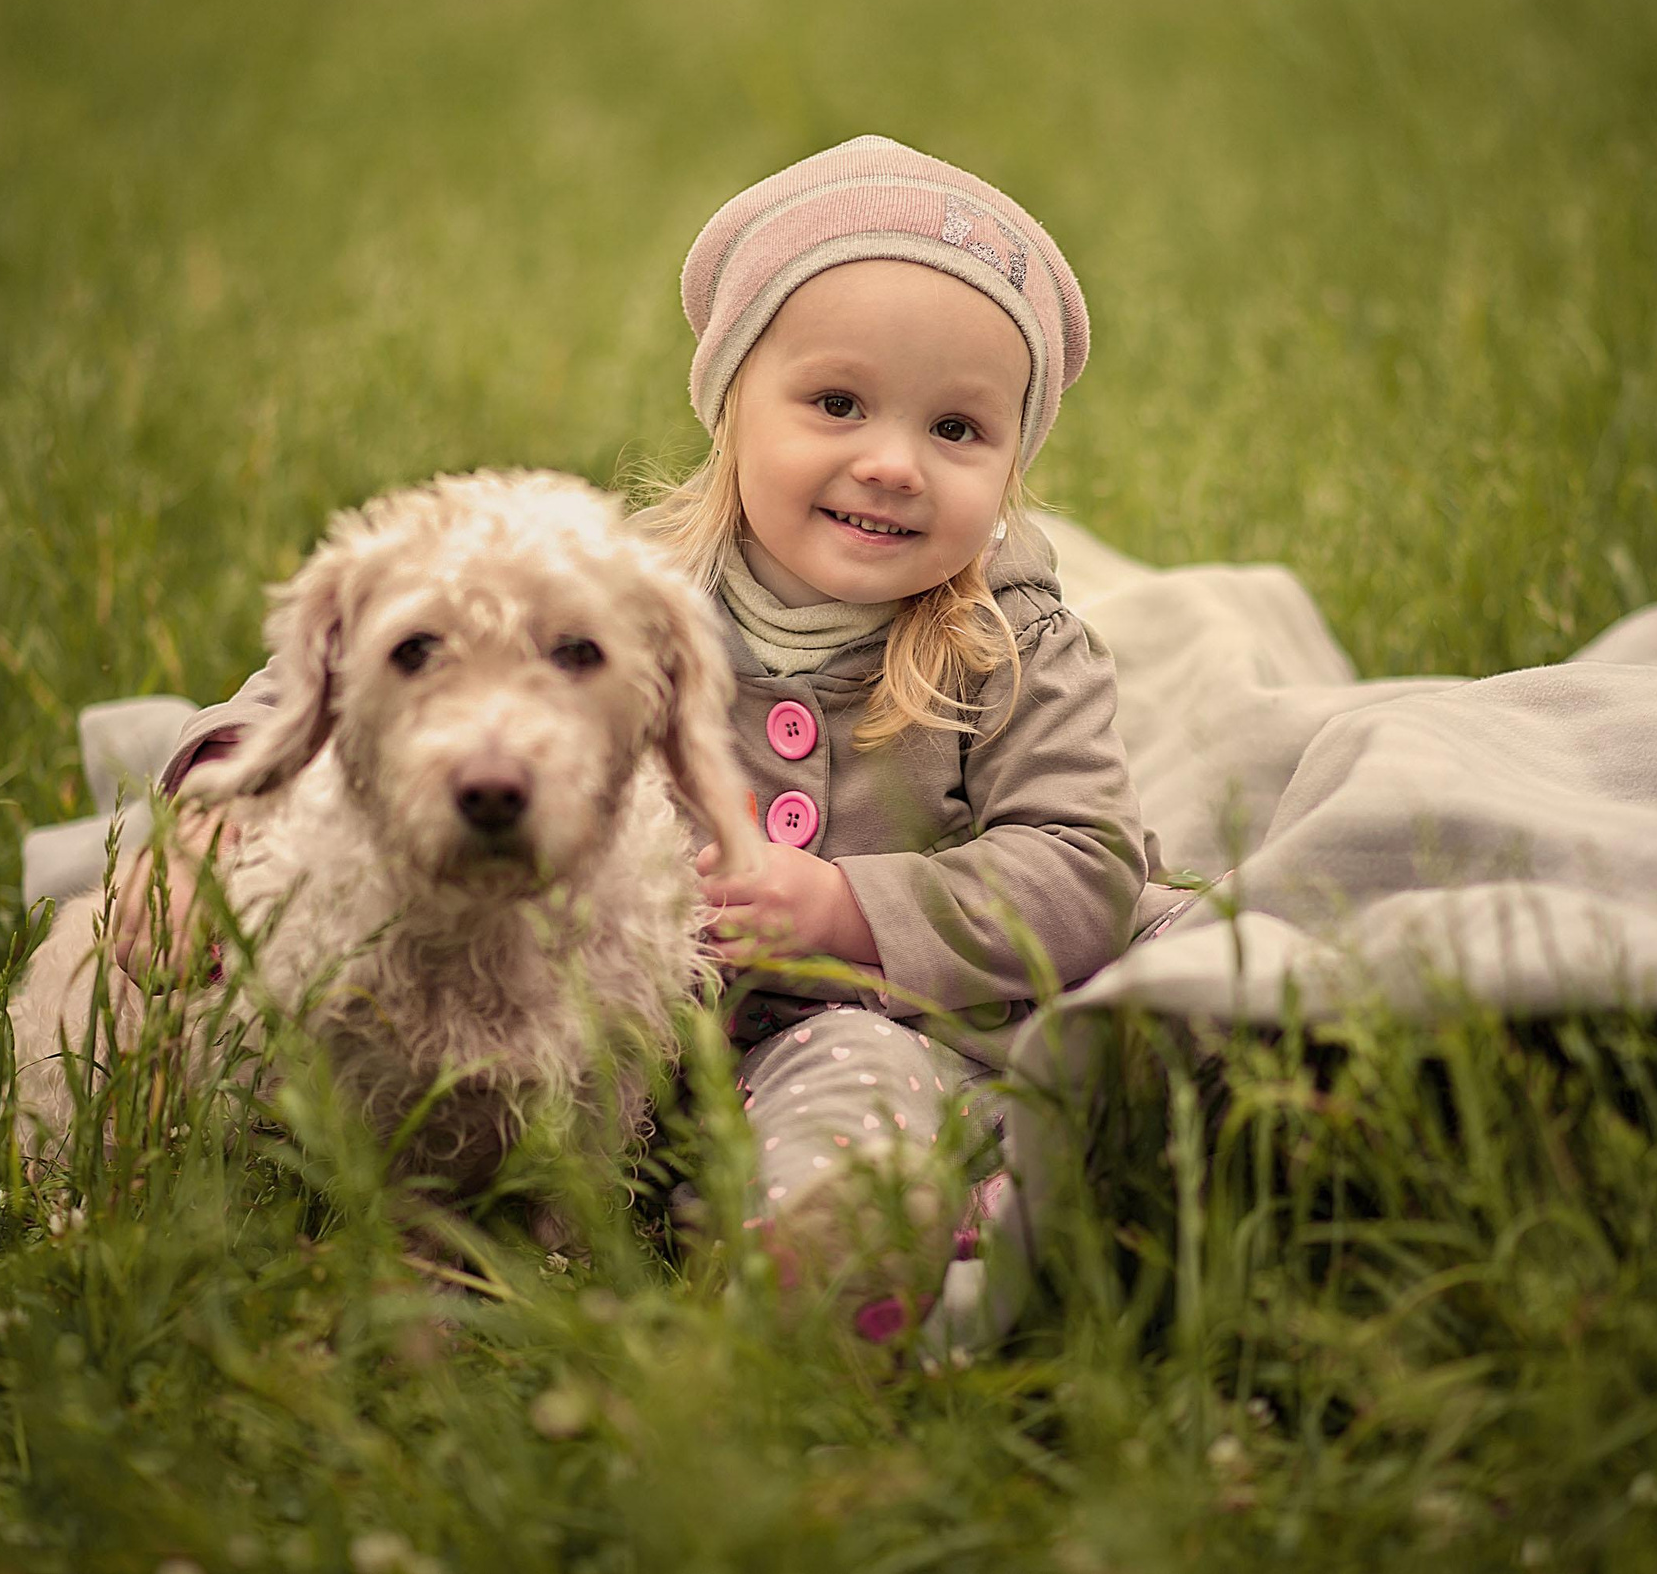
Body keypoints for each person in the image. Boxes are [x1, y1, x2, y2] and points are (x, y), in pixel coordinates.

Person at [117, 136, 1191, 1340]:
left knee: (881, 1077)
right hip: (606, 1031)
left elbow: (1085, 862)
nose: (891, 463)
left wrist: (849, 908)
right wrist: (217, 806)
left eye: (956, 428)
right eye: (837, 404)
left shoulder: (1014, 645)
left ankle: (832, 1262)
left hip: (883, 1034)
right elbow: (339, 667)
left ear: (1012, 464)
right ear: (731, 406)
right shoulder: (617, 590)